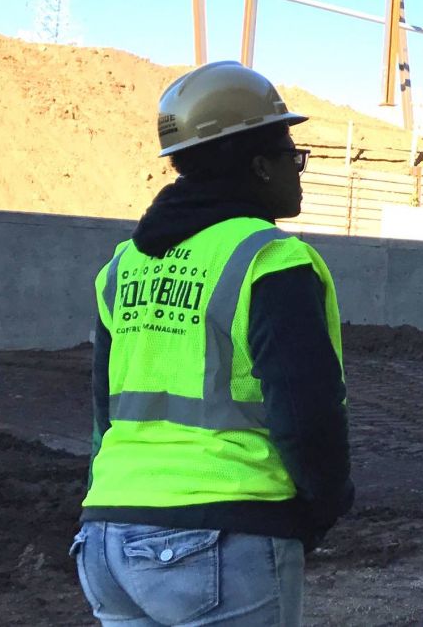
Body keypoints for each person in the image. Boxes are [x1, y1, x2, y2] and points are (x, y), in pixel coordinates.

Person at [73, 61, 352, 626]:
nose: (298, 172)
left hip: (107, 535)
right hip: (223, 532)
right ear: (257, 165)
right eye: (291, 157)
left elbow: (105, 412)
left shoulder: (122, 266)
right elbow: (304, 412)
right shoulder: (269, 259)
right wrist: (322, 504)